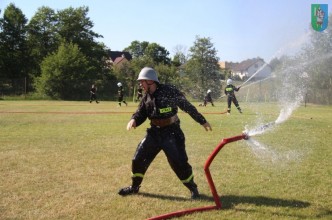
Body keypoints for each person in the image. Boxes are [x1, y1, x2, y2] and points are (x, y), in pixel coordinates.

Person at [118, 67, 212, 199]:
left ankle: (193, 189)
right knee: (138, 158)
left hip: (172, 133)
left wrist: (202, 121)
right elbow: (140, 113)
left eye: (142, 81)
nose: (140, 84)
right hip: (154, 133)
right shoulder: (146, 97)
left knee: (179, 163)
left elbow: (187, 106)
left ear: (150, 81)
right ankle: (134, 187)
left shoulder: (170, 91)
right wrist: (133, 120)